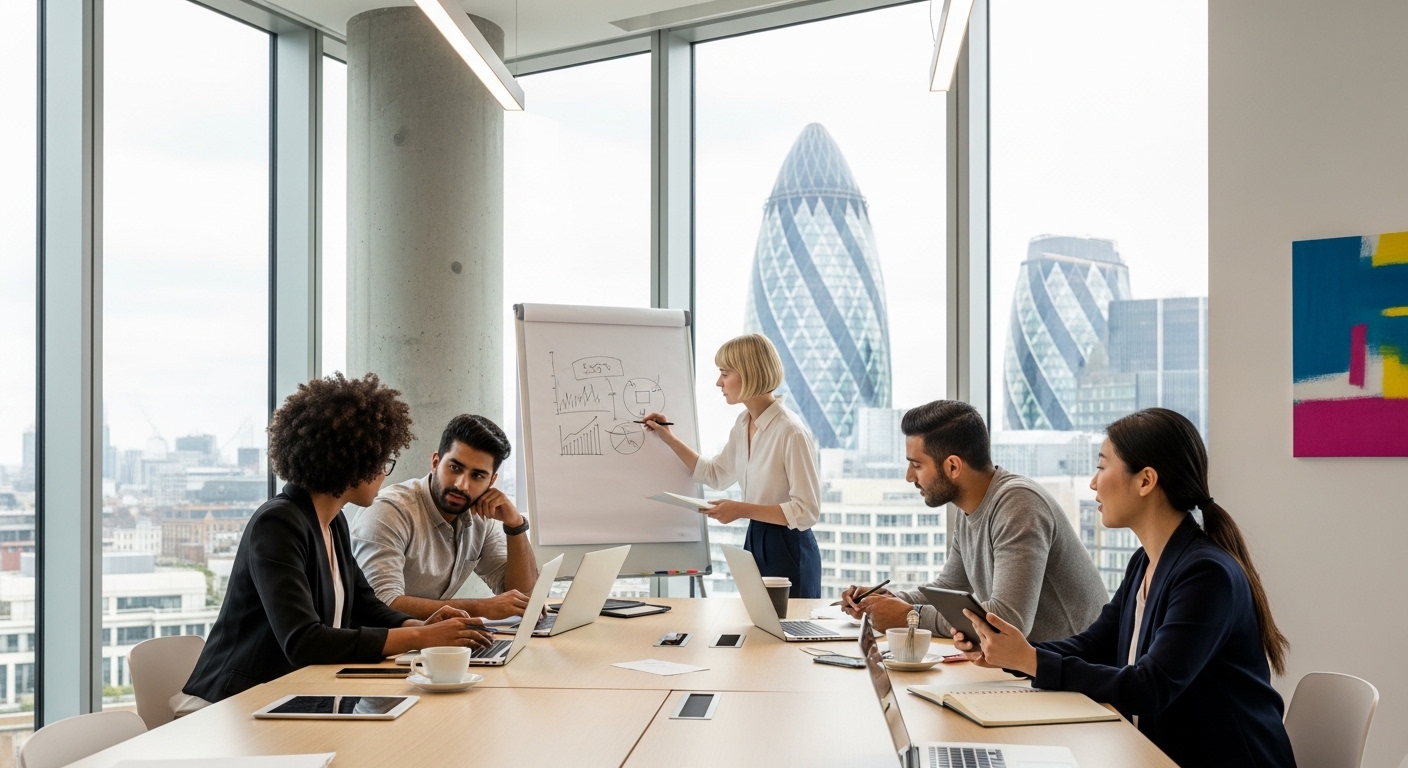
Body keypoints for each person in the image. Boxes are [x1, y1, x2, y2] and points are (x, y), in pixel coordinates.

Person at [952, 408, 1296, 768]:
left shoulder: (1207, 575)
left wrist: (1031, 660)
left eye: (1102, 466)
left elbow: (1149, 688)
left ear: (1145, 481)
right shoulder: (1145, 562)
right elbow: (1094, 645)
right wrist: (1011, 652)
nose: (1093, 482)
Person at [178, 374, 491, 709]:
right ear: (354, 460)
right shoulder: (278, 523)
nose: (385, 473)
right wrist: (418, 637)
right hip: (230, 706)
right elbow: (303, 640)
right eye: (383, 461)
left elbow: (363, 604)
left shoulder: (333, 521)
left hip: (289, 698)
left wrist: (419, 626)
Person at [842, 400, 1107, 642]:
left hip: (1072, 677)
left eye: (917, 465)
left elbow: (1007, 620)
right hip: (1032, 667)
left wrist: (910, 616)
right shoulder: (970, 506)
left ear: (953, 467)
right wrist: (886, 601)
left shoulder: (1018, 504)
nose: (909, 476)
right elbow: (949, 588)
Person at [643, 333, 823, 598]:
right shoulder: (743, 423)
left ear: (749, 374)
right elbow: (714, 474)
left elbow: (806, 511)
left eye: (725, 374)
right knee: (760, 630)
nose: (719, 382)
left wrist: (739, 509)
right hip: (755, 537)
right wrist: (668, 438)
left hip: (789, 546)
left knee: (787, 631)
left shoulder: (790, 431)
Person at [352, 414, 537, 620]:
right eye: (455, 468)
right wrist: (481, 608)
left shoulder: (480, 517)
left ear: (491, 481)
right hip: (382, 648)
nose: (461, 485)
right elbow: (381, 604)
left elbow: (523, 598)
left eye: (477, 476)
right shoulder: (389, 511)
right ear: (435, 462)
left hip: (430, 645)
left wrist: (515, 525)